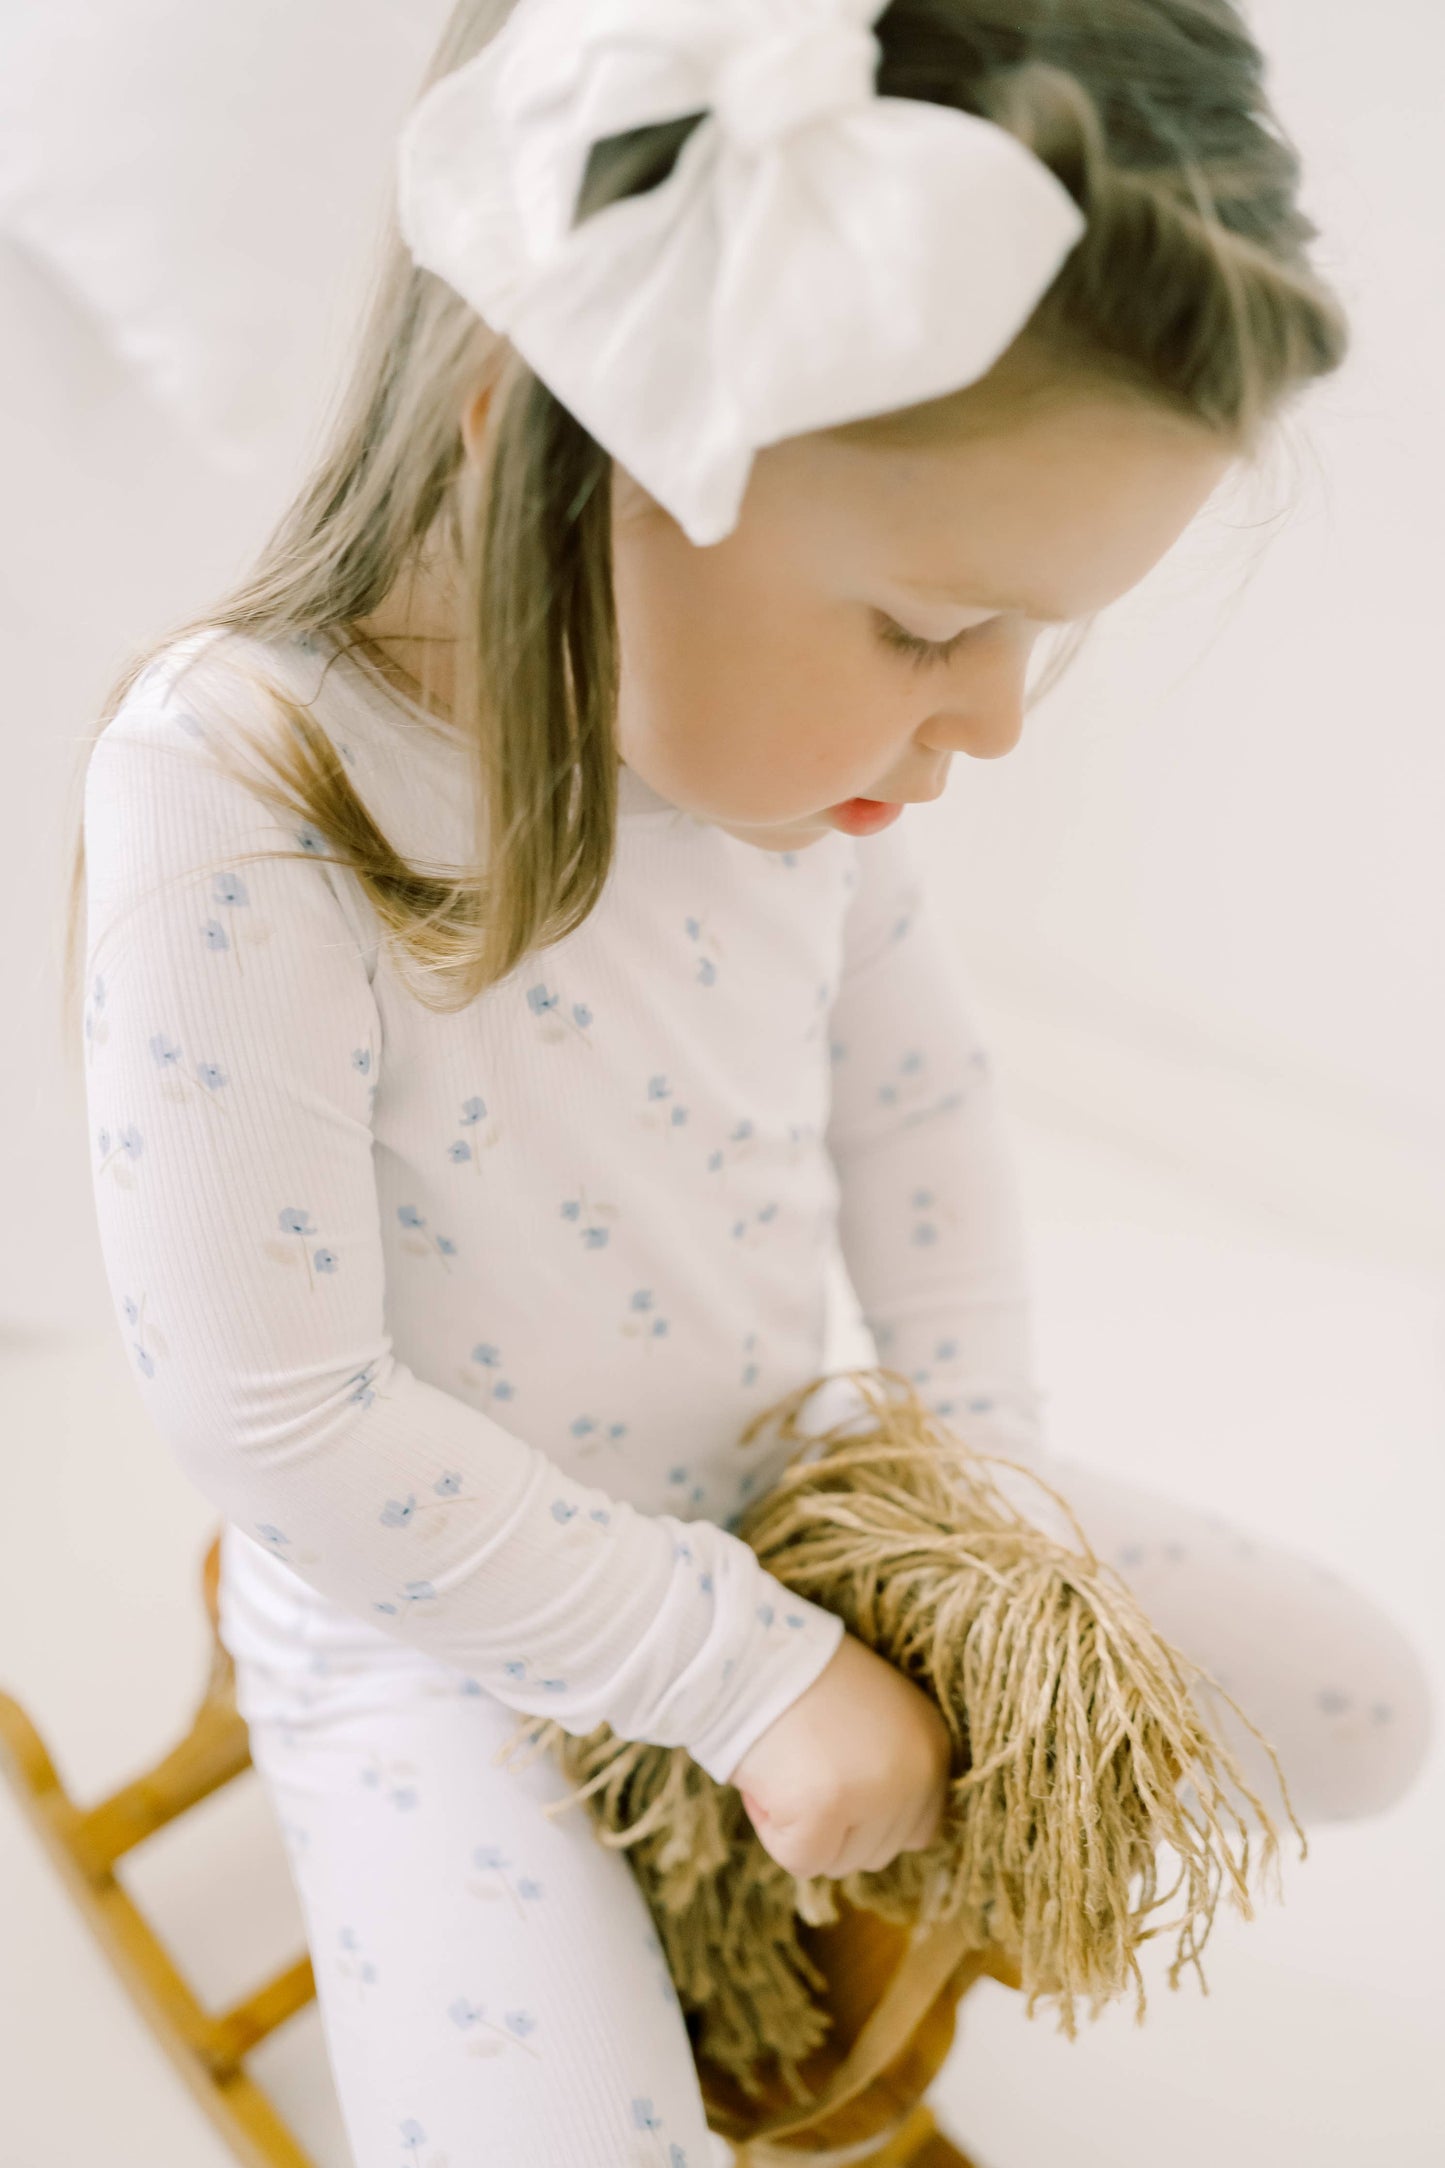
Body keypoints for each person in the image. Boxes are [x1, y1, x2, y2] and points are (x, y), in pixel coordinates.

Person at [66, 2, 1432, 2162]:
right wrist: (745, 1673)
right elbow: (279, 1417)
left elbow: (918, 1111)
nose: (988, 723)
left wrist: (975, 1508)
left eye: (1033, 640)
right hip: (447, 1611)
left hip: (794, 1471)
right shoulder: (248, 791)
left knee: (1365, 1709)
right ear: (558, 440)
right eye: (925, 626)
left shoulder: (800, 782)